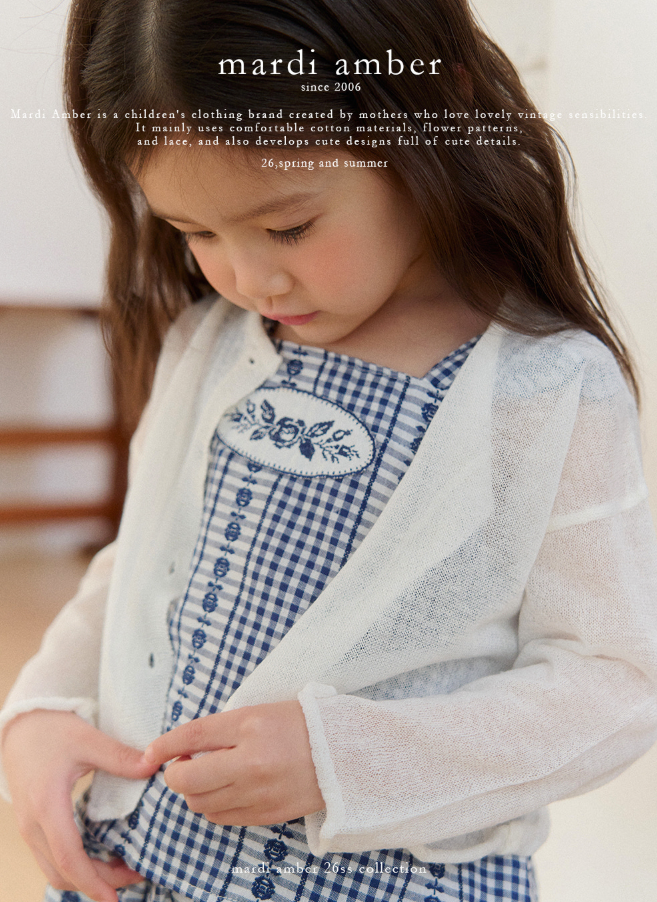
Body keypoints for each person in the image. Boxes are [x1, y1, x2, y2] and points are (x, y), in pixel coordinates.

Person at [2, 0, 657, 900]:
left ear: (430, 116)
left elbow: (612, 685)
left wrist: (340, 759)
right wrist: (38, 711)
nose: (249, 278)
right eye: (196, 233)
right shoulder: (209, 344)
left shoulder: (542, 390)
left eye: (288, 227)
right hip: (141, 866)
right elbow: (140, 572)